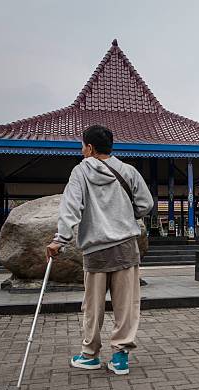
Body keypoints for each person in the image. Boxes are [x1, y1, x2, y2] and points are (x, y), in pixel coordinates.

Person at [46, 125, 153, 375]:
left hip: (96, 249)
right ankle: (120, 358)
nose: (82, 150)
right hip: (126, 246)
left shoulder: (80, 171)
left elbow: (70, 207)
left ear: (90, 148)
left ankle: (90, 355)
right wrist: (126, 215)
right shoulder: (128, 171)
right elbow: (146, 204)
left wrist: (59, 240)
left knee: (93, 306)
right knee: (126, 305)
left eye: (82, 146)